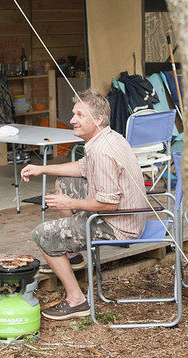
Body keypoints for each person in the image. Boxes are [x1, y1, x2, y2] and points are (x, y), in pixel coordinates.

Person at [21, 89, 147, 320]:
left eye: (79, 115)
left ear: (97, 120)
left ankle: (77, 301)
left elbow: (109, 205)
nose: (72, 120)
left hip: (119, 225)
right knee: (64, 182)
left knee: (43, 235)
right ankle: (70, 252)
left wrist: (70, 203)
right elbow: (82, 169)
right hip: (129, 215)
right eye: (73, 114)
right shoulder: (108, 137)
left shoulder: (102, 151)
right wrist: (42, 169)